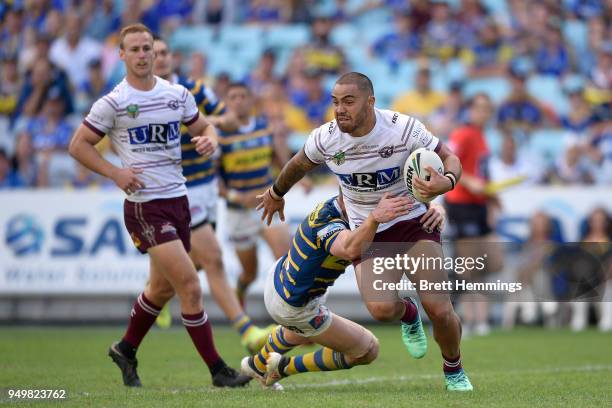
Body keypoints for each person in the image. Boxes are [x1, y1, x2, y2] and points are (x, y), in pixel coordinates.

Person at [257, 72, 473, 391]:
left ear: (370, 102)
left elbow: (449, 158)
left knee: (440, 309)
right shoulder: (327, 138)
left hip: (412, 223)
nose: (340, 109)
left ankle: (453, 369)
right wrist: (276, 193)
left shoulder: (402, 128)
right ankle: (408, 312)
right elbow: (299, 164)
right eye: (335, 102)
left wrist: (448, 181)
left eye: (348, 101)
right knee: (382, 310)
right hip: (369, 231)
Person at [68, 23, 250, 388]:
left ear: (155, 52)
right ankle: (218, 370)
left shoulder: (177, 94)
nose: (141, 55)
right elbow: (78, 145)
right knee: (190, 286)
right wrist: (115, 173)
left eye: (146, 48)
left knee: (161, 290)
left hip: (178, 200)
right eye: (133, 49)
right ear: (121, 55)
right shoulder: (114, 102)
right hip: (144, 206)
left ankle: (125, 348)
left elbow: (205, 128)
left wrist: (209, 141)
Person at [241, 193, 446, 389]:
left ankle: (257, 364)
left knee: (306, 330)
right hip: (294, 305)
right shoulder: (329, 222)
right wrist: (374, 218)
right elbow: (351, 248)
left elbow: (408, 212)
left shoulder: (352, 212)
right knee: (368, 350)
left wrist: (434, 208)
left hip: (283, 281)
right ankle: (283, 367)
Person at [152, 35, 271, 352]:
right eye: (154, 52)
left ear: (172, 57)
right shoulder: (145, 98)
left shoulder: (194, 89)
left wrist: (201, 123)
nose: (160, 58)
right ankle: (246, 330)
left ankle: (156, 291)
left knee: (198, 262)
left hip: (206, 187)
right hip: (175, 188)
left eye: (165, 52)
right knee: (213, 259)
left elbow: (230, 121)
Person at [217, 82, 292, 307]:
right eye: (233, 97)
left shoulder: (264, 127)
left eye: (243, 96)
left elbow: (279, 160)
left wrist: (302, 178)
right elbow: (214, 181)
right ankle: (239, 295)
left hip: (267, 204)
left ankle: (294, 316)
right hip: (238, 212)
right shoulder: (220, 135)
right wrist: (236, 197)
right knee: (250, 273)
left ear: (251, 100)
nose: (238, 100)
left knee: (287, 262)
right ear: (227, 102)